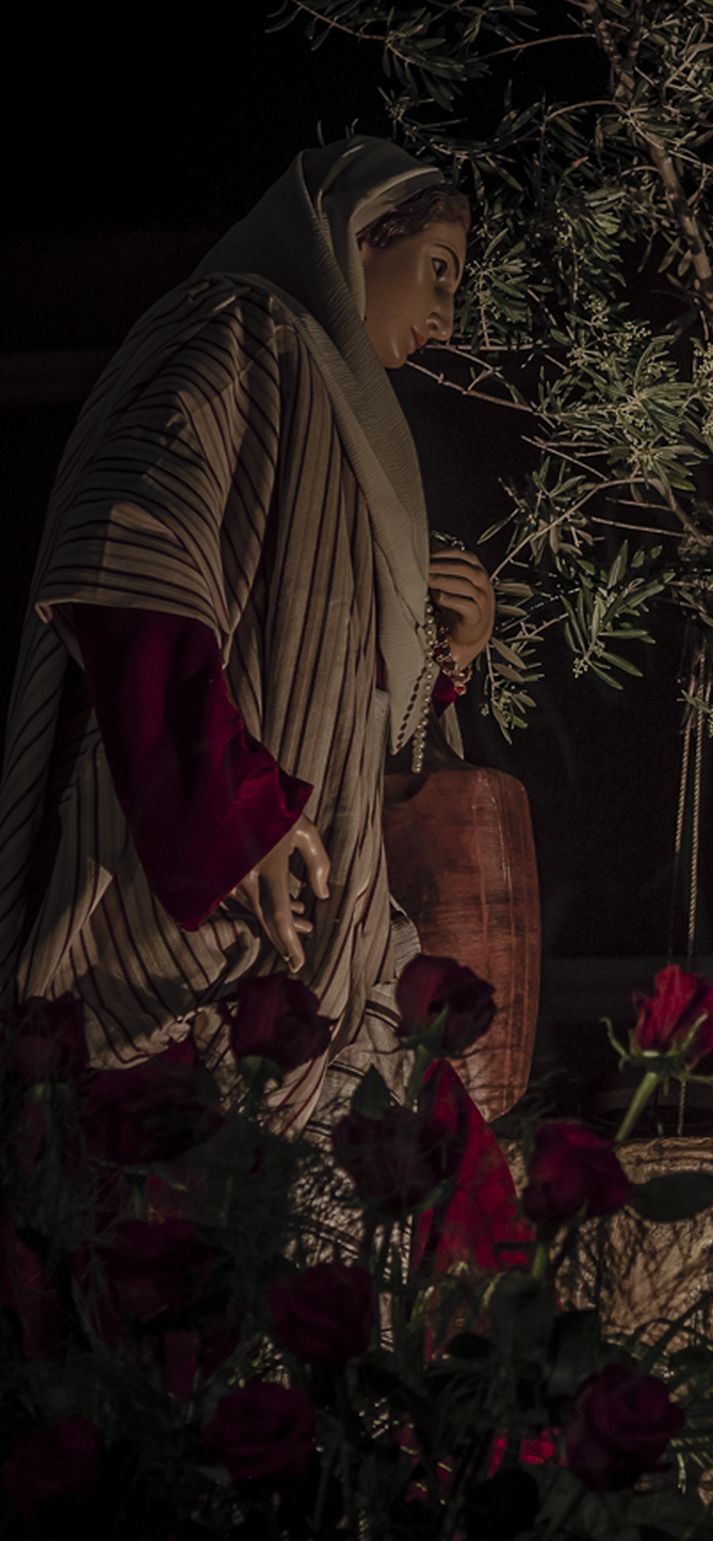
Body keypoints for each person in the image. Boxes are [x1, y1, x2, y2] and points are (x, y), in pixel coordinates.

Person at [0, 138, 529, 1268]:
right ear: (356, 238)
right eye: (437, 267)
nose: (447, 313)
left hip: (311, 914)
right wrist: (235, 812)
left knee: (381, 1286)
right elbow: (134, 572)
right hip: (193, 904)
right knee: (170, 1268)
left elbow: (339, 705)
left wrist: (444, 656)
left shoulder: (335, 418)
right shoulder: (236, 331)